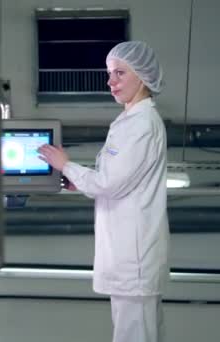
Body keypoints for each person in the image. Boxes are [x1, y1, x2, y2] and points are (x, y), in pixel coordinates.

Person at [37, 41, 170, 342]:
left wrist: (66, 164)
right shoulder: (131, 121)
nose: (111, 82)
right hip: (130, 258)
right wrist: (78, 180)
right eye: (109, 73)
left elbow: (108, 183)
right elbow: (113, 181)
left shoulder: (141, 125)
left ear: (143, 76)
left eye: (120, 73)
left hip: (133, 260)